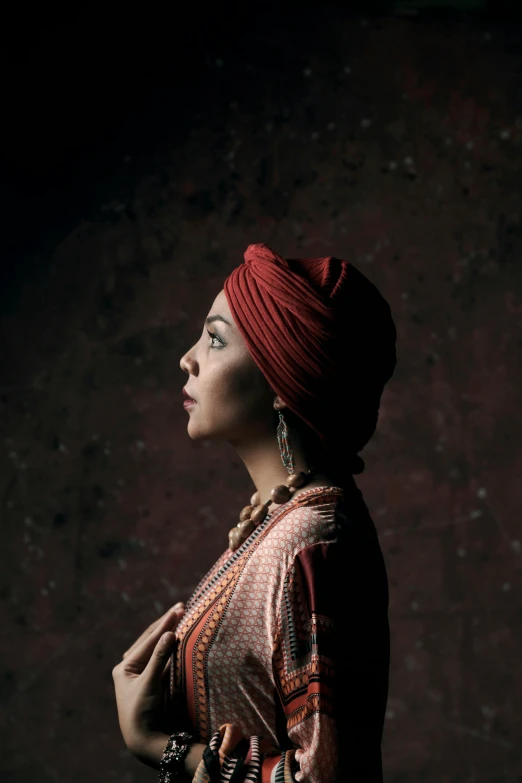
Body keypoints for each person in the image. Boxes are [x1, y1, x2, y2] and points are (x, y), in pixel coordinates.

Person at [115, 242, 397, 782]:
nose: (187, 357)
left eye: (214, 338)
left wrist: (156, 744)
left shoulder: (313, 542)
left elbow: (329, 777)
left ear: (281, 378)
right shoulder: (279, 522)